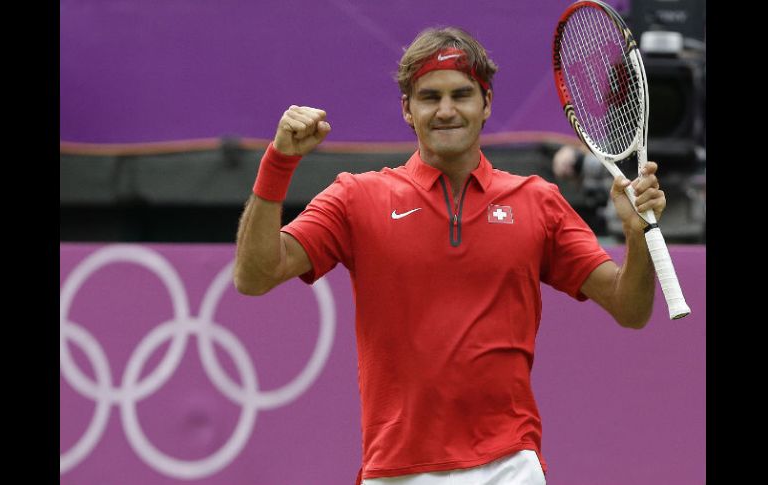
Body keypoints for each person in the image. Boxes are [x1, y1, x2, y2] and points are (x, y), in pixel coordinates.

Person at [234, 27, 665, 485]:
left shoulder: (538, 201)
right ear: (407, 109)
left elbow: (630, 309)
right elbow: (254, 276)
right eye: (429, 97)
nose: (445, 110)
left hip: (509, 465)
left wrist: (637, 235)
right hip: (396, 469)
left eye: (461, 95)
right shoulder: (356, 198)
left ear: (486, 103)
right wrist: (278, 161)